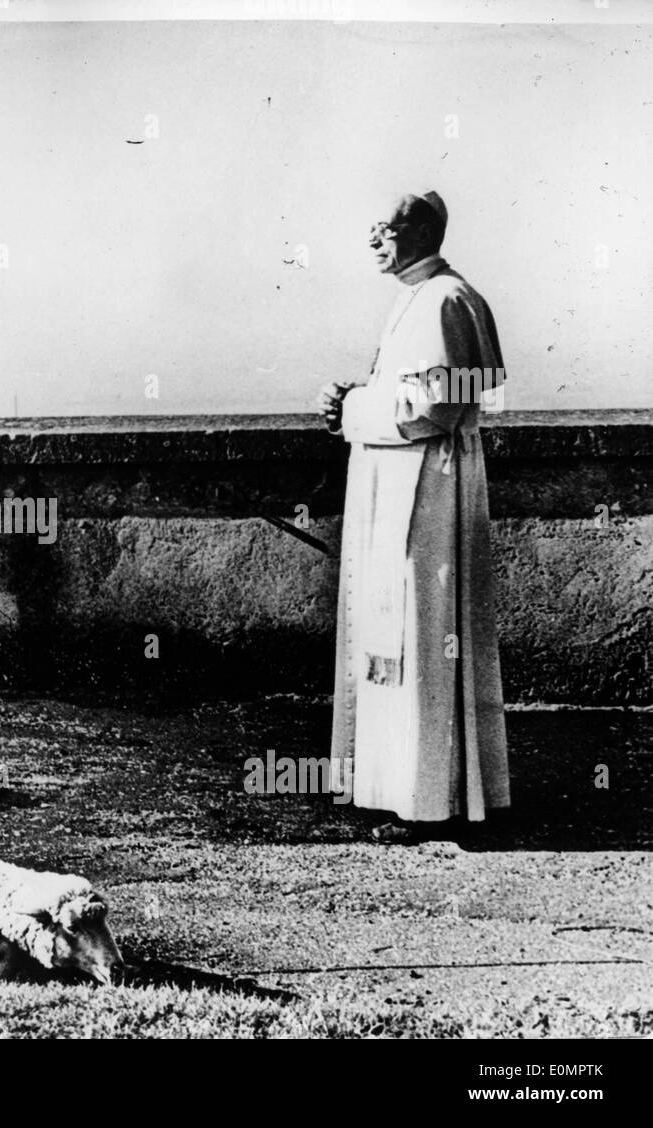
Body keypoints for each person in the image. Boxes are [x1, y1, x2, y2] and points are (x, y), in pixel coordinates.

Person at [316, 191, 510, 843]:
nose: (374, 242)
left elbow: (435, 409)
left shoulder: (447, 300)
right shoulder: (416, 297)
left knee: (426, 635)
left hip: (430, 494)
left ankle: (427, 800)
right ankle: (391, 787)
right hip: (402, 482)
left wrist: (351, 409)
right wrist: (356, 397)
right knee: (395, 634)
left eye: (385, 231)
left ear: (422, 231)